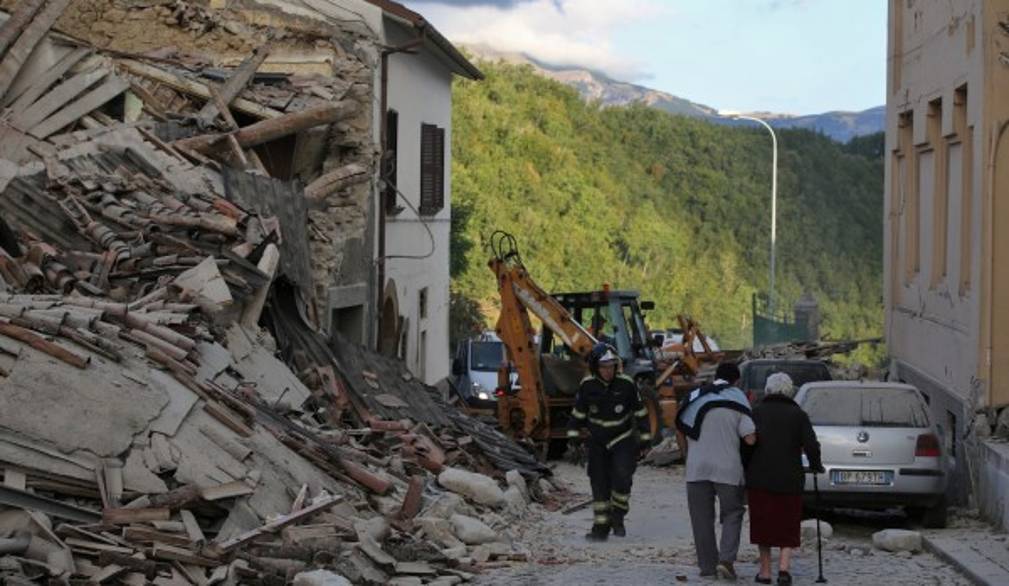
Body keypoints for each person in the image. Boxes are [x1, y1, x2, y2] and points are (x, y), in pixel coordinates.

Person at [675, 362, 756, 580]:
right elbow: (750, 438)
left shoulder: (696, 396)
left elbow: (679, 427)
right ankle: (726, 561)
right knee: (733, 513)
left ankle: (707, 568)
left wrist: (687, 456)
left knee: (701, 519)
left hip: (696, 469)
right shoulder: (738, 399)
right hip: (728, 469)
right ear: (736, 381)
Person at [567, 342, 652, 541]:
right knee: (599, 483)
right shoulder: (587, 385)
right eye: (604, 367)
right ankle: (600, 527)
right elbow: (578, 413)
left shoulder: (627, 384)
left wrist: (645, 440)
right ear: (596, 368)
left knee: (623, 477)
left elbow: (641, 413)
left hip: (622, 439)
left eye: (611, 366)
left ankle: (618, 516)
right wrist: (573, 438)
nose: (608, 371)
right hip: (597, 442)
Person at [745, 372, 823, 585]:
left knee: (763, 525)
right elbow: (811, 445)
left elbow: (746, 444)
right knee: (787, 524)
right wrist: (817, 465)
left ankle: (765, 572)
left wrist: (745, 467)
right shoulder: (798, 415)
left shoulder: (756, 413)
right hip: (789, 478)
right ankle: (784, 569)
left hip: (759, 477)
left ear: (768, 390)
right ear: (789, 391)